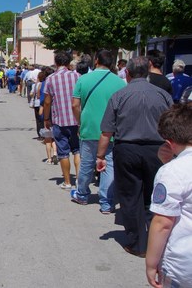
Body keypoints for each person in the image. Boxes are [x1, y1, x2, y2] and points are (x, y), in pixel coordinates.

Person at [96, 56, 173, 257]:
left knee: (130, 197)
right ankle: (157, 239)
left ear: (127, 74)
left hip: (127, 149)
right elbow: (172, 126)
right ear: (147, 72)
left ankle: (138, 243)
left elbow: (106, 132)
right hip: (157, 150)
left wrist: (100, 156)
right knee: (154, 195)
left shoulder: (119, 96)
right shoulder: (163, 95)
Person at [71, 49, 126, 214]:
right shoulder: (119, 82)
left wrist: (80, 122)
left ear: (96, 61)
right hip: (110, 131)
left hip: (88, 127)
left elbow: (75, 105)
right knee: (109, 166)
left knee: (87, 163)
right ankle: (106, 203)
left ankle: (82, 194)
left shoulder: (83, 79)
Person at [146, 103, 192, 288]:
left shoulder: (171, 172)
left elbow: (162, 223)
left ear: (169, 142)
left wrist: (151, 263)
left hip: (184, 263)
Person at [43, 51, 80, 189]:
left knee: (63, 152)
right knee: (77, 150)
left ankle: (67, 181)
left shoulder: (51, 79)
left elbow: (47, 102)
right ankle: (79, 180)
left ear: (56, 62)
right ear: (69, 62)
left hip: (59, 119)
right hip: (76, 119)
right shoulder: (78, 76)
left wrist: (46, 118)